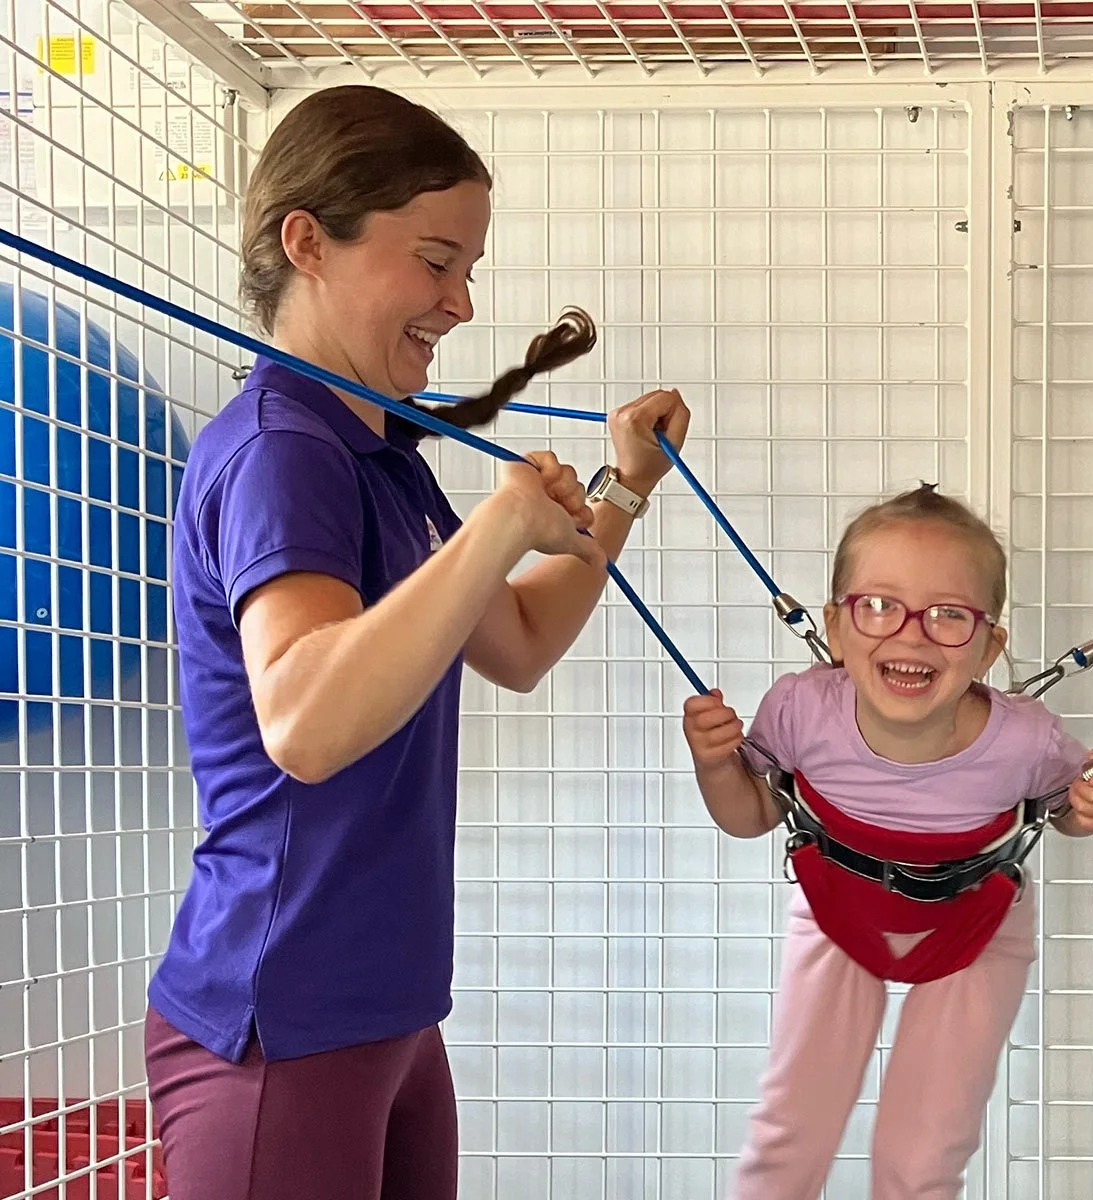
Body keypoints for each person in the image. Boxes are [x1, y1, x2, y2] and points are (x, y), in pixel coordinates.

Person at [144, 84, 693, 1200]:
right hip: (281, 1018)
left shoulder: (380, 458)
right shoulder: (281, 450)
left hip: (383, 1006)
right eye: (436, 262)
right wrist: (492, 528)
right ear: (308, 242)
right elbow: (303, 721)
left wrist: (622, 490)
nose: (460, 304)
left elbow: (522, 641)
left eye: (468, 271)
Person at [681, 483, 1093, 1199]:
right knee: (788, 1141)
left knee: (920, 1161)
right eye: (879, 606)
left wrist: (1089, 808)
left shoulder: (1024, 737)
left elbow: (1063, 812)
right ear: (833, 624)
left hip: (978, 925)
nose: (910, 635)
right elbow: (750, 815)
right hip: (836, 909)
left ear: (989, 647)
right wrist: (714, 764)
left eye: (949, 615)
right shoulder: (800, 709)